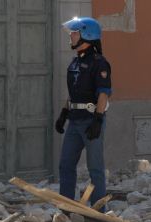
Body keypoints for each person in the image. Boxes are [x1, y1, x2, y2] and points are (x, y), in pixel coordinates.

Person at [55, 17, 112, 211]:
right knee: (65, 165)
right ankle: (66, 209)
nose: (71, 36)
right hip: (74, 121)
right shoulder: (74, 63)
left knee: (95, 169)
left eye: (75, 32)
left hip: (90, 121)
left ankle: (98, 214)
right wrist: (64, 113)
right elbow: (74, 93)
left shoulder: (100, 63)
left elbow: (103, 94)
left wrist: (98, 119)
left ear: (87, 34)